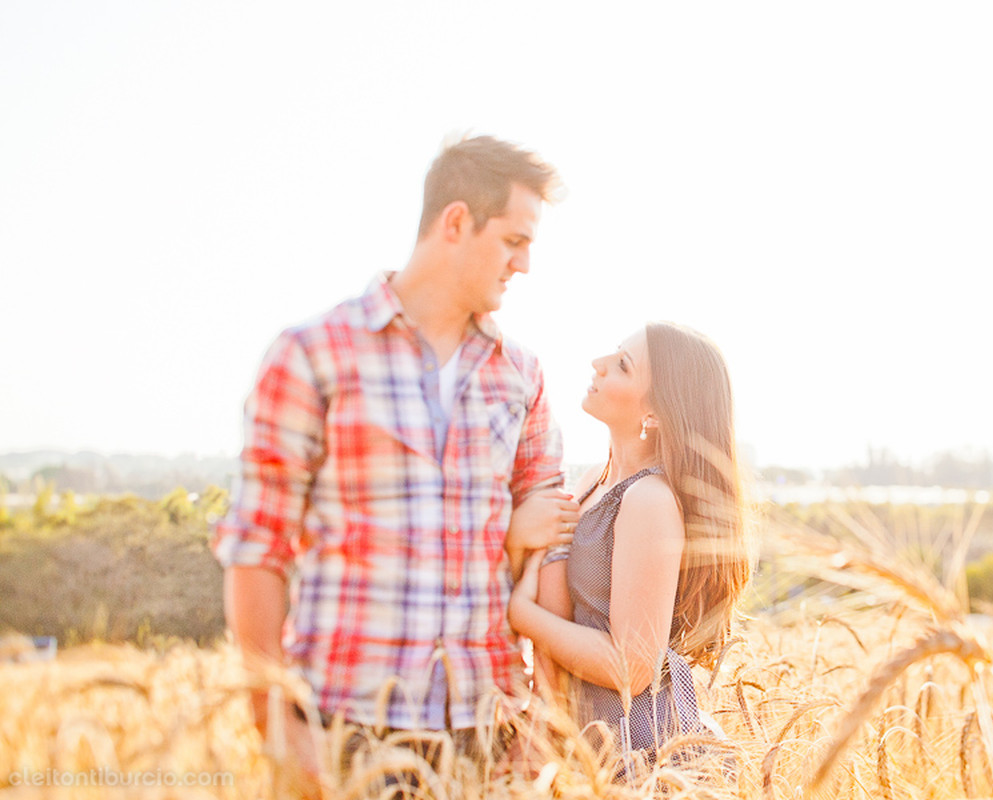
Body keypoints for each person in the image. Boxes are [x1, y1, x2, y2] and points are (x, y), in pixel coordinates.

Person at [211, 134, 580, 788]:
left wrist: (542, 723)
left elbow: (547, 556)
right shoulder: (311, 355)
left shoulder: (522, 375)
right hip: (346, 727)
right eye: (514, 241)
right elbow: (256, 548)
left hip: (488, 732)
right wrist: (275, 724)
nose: (524, 264)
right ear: (457, 222)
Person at [508, 321, 750, 772]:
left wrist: (523, 617)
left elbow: (632, 669)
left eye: (622, 365)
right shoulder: (592, 483)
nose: (597, 365)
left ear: (655, 413)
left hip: (640, 754)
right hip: (588, 744)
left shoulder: (648, 500)